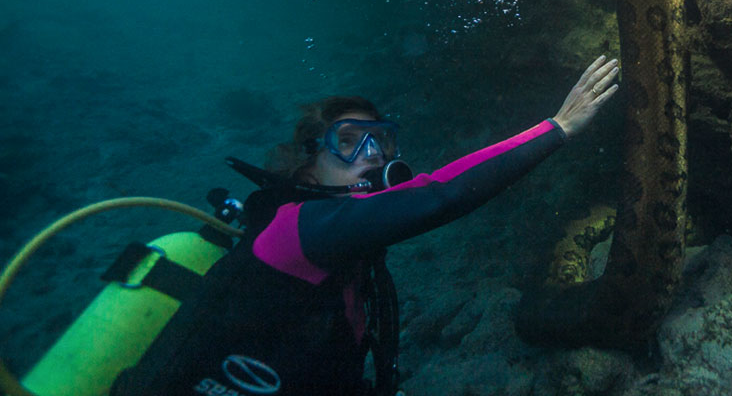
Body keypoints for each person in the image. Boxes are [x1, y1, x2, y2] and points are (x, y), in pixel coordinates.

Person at [110, 55, 620, 396]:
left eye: (381, 141)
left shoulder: (349, 251)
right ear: (308, 164)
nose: (371, 157)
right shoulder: (298, 231)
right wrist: (556, 128)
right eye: (349, 141)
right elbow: (439, 196)